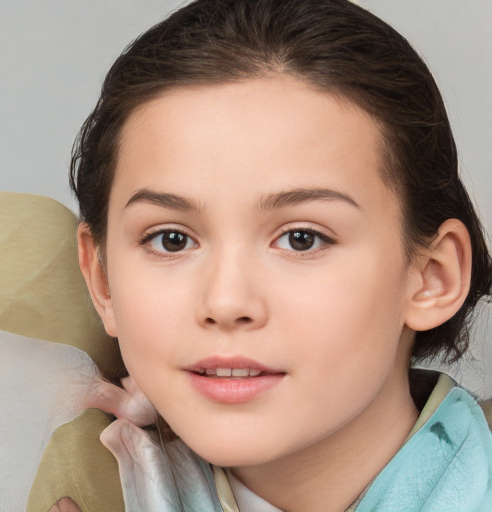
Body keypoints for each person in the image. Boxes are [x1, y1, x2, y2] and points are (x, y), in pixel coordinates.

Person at [58, 0, 492, 510]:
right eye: (171, 239)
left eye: (301, 238)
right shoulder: (48, 472)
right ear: (102, 280)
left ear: (432, 277)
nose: (225, 301)